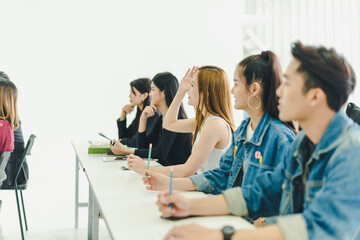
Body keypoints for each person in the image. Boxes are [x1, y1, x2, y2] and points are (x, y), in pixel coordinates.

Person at [157, 42, 360, 240]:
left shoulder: (352, 153)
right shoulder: (303, 144)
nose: (279, 91)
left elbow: (317, 228)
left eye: (287, 84)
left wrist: (219, 235)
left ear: (315, 96)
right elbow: (261, 192)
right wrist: (188, 206)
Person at [143, 51, 295, 198]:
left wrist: (157, 175)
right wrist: (168, 183)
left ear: (254, 88)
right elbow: (222, 176)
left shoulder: (279, 137)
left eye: (236, 84)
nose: (231, 91)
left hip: (237, 211)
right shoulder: (243, 129)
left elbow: (279, 197)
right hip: (223, 202)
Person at [126, 66, 235, 177]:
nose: (188, 89)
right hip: (204, 186)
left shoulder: (215, 124)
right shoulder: (203, 120)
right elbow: (169, 124)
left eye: (192, 85)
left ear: (205, 93)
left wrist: (146, 168)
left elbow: (188, 170)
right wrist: (180, 91)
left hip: (210, 191)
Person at [110, 72, 192, 166]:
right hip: (165, 172)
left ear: (164, 92)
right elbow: (143, 146)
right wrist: (143, 119)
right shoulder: (161, 118)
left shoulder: (177, 119)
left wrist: (126, 151)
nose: (150, 94)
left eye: (153, 89)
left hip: (177, 176)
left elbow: (160, 153)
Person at [117, 78, 151, 147]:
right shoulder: (139, 114)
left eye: (133, 92)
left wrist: (120, 142)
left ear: (144, 95)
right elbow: (124, 137)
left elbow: (135, 142)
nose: (129, 96)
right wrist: (123, 115)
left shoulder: (149, 114)